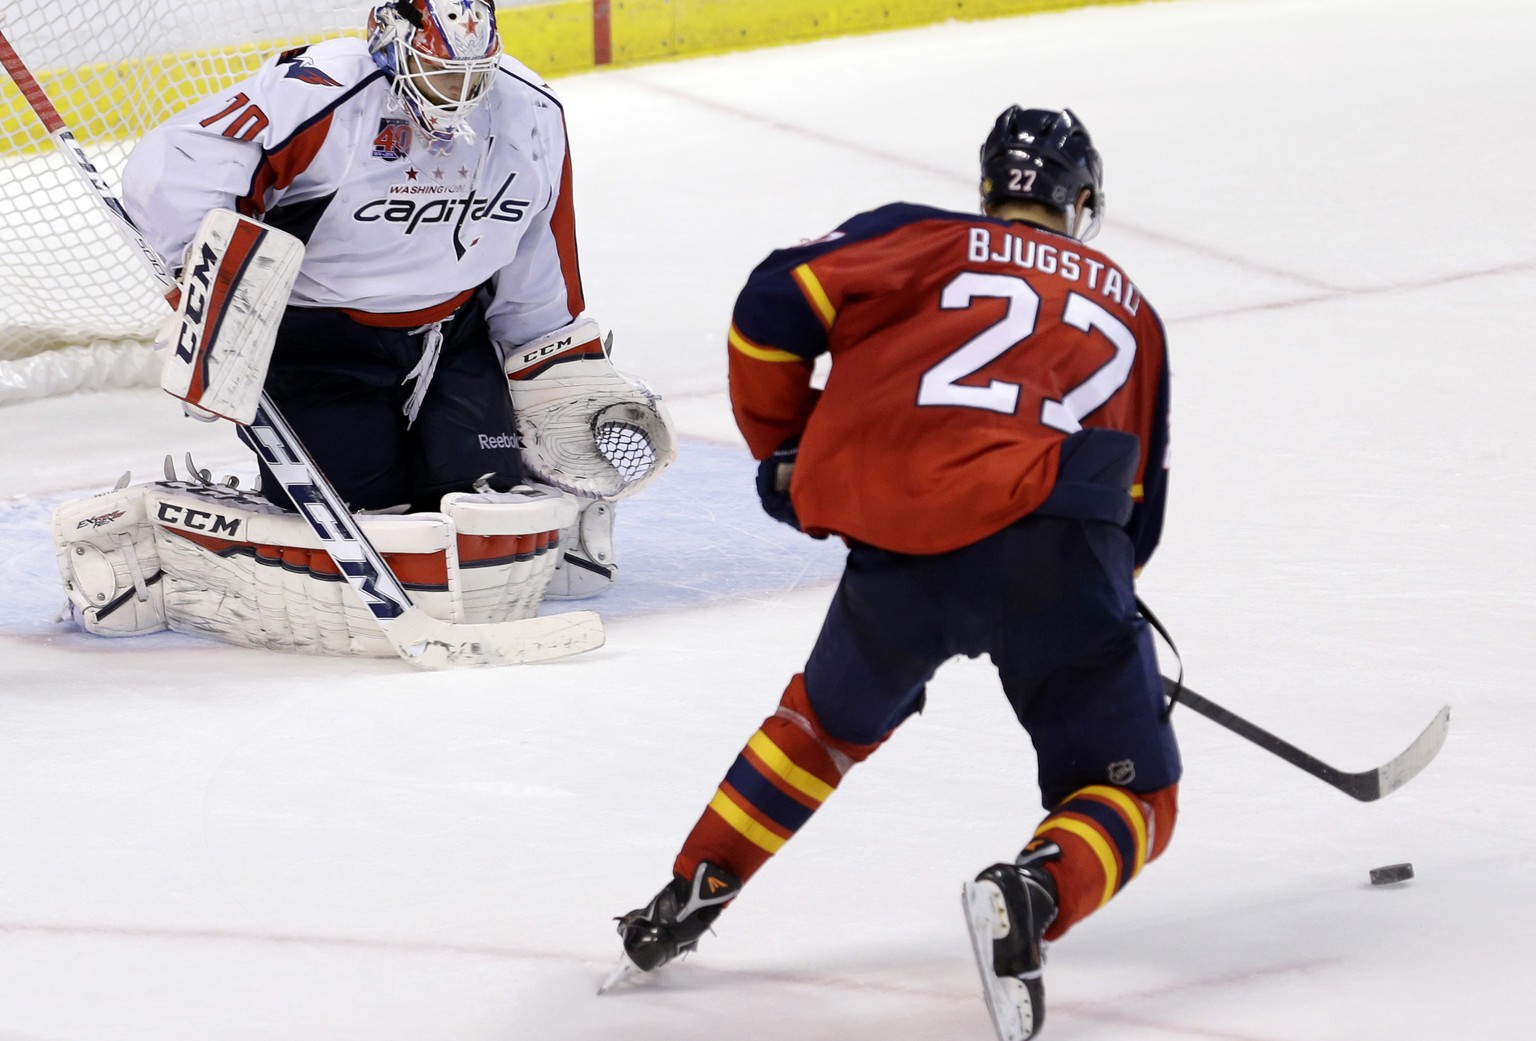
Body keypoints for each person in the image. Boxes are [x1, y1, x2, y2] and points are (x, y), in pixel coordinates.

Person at [603, 107, 1180, 1041]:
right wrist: (1101, 613)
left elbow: (770, 303)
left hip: (907, 543)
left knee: (821, 725)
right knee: (1136, 794)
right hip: (1060, 553)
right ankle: (1033, 891)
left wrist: (789, 444)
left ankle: (691, 890)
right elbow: (1140, 505)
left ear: (992, 189)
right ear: (1079, 203)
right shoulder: (1133, 308)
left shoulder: (919, 235)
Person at [118, 0, 656, 597]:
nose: (462, 94)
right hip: (318, 343)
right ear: (389, 44)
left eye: (478, 76)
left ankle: (556, 515)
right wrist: (211, 292)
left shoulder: (530, 110)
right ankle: (161, 553)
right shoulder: (319, 93)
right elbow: (174, 168)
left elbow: (541, 244)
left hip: (454, 337)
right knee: (364, 523)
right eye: (442, 72)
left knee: (491, 509)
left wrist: (546, 358)